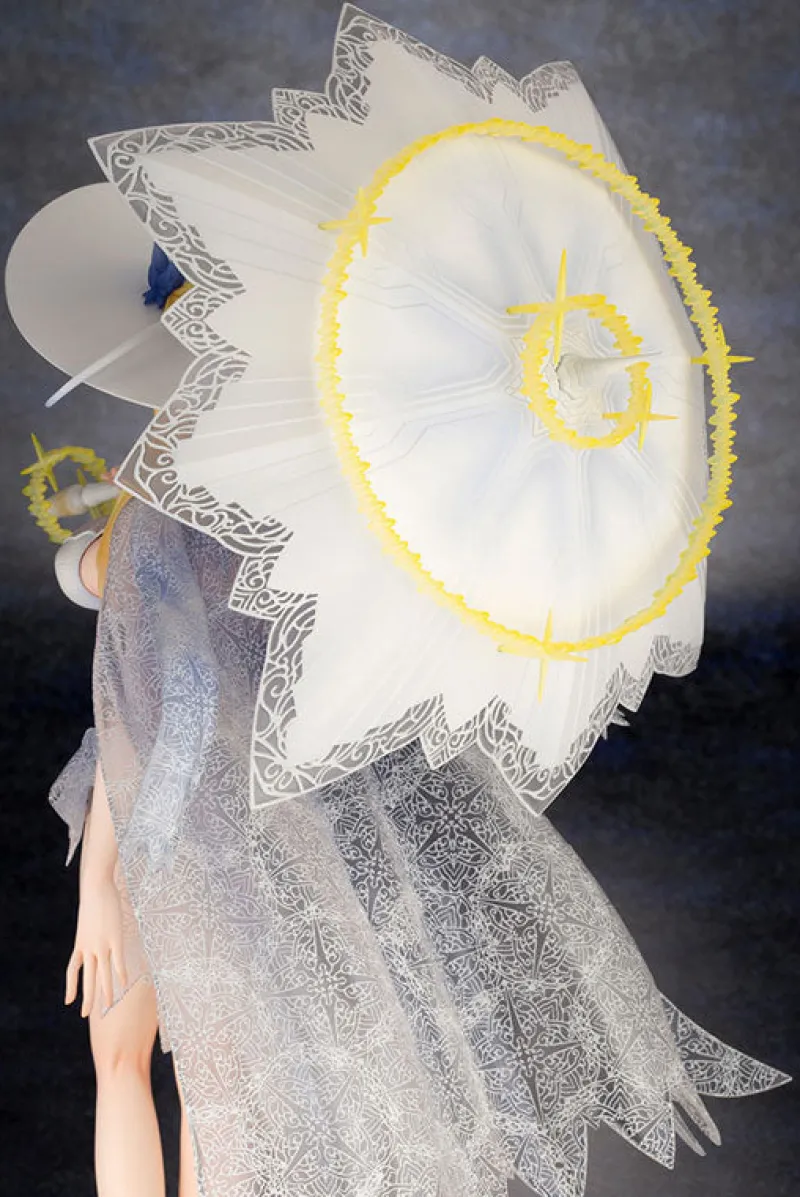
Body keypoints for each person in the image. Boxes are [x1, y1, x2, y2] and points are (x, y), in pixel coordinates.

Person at [9, 8, 789, 1195]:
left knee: (201, 1069)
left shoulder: (211, 493)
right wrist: (104, 544)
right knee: (199, 1068)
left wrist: (103, 880)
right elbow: (131, 662)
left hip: (192, 792)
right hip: (198, 785)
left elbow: (137, 678)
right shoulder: (231, 487)